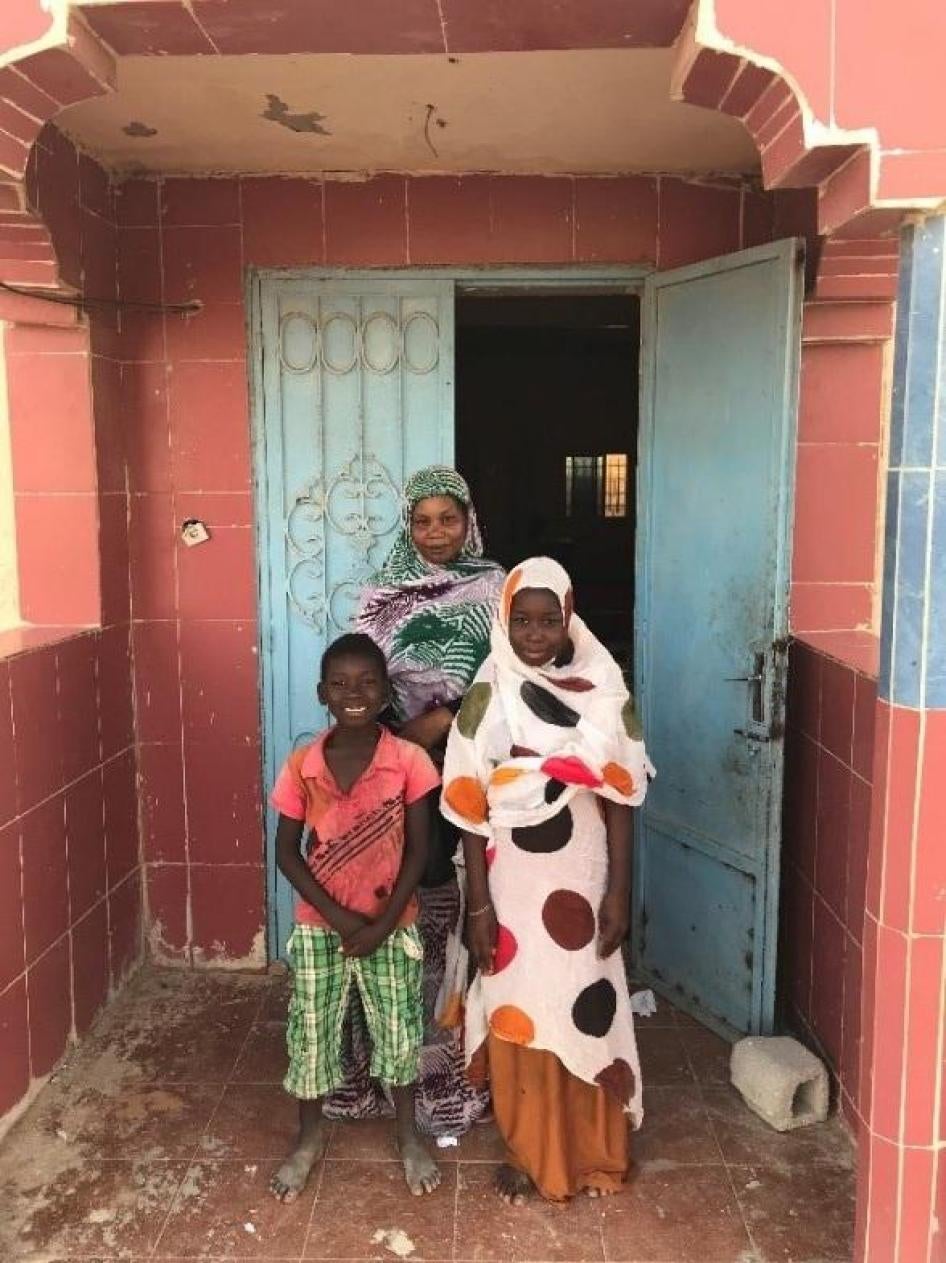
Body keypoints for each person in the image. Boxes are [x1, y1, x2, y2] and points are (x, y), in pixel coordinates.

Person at [439, 557, 655, 1203]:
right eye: (522, 619)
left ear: (569, 618)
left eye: (548, 618)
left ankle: (595, 1151)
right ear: (505, 619)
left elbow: (621, 794)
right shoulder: (488, 690)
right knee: (521, 1000)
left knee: (584, 996)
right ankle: (528, 1149)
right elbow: (466, 803)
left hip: (580, 873)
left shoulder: (604, 687)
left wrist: (617, 891)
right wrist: (478, 906)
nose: (535, 632)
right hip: (511, 877)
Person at [326, 466, 505, 1136]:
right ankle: (384, 1068)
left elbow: (512, 671)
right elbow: (357, 680)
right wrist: (407, 735)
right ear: (408, 525)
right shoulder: (381, 597)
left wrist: (448, 718)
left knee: (464, 913)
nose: (436, 533)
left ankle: (457, 1069)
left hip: (477, 767)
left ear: (469, 520)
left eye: (448, 519)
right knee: (399, 913)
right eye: (422, 520)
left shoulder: (497, 586)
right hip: (396, 771)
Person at [268, 633, 442, 1202]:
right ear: (322, 692)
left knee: (398, 1030)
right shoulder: (303, 765)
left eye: (367, 682)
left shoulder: (408, 761)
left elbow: (420, 851)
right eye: (340, 684)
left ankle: (408, 1136)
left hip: (393, 922)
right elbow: (287, 854)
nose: (354, 693)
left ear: (387, 691)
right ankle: (309, 1136)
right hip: (323, 928)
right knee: (313, 1031)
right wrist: (345, 922)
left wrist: (385, 922)